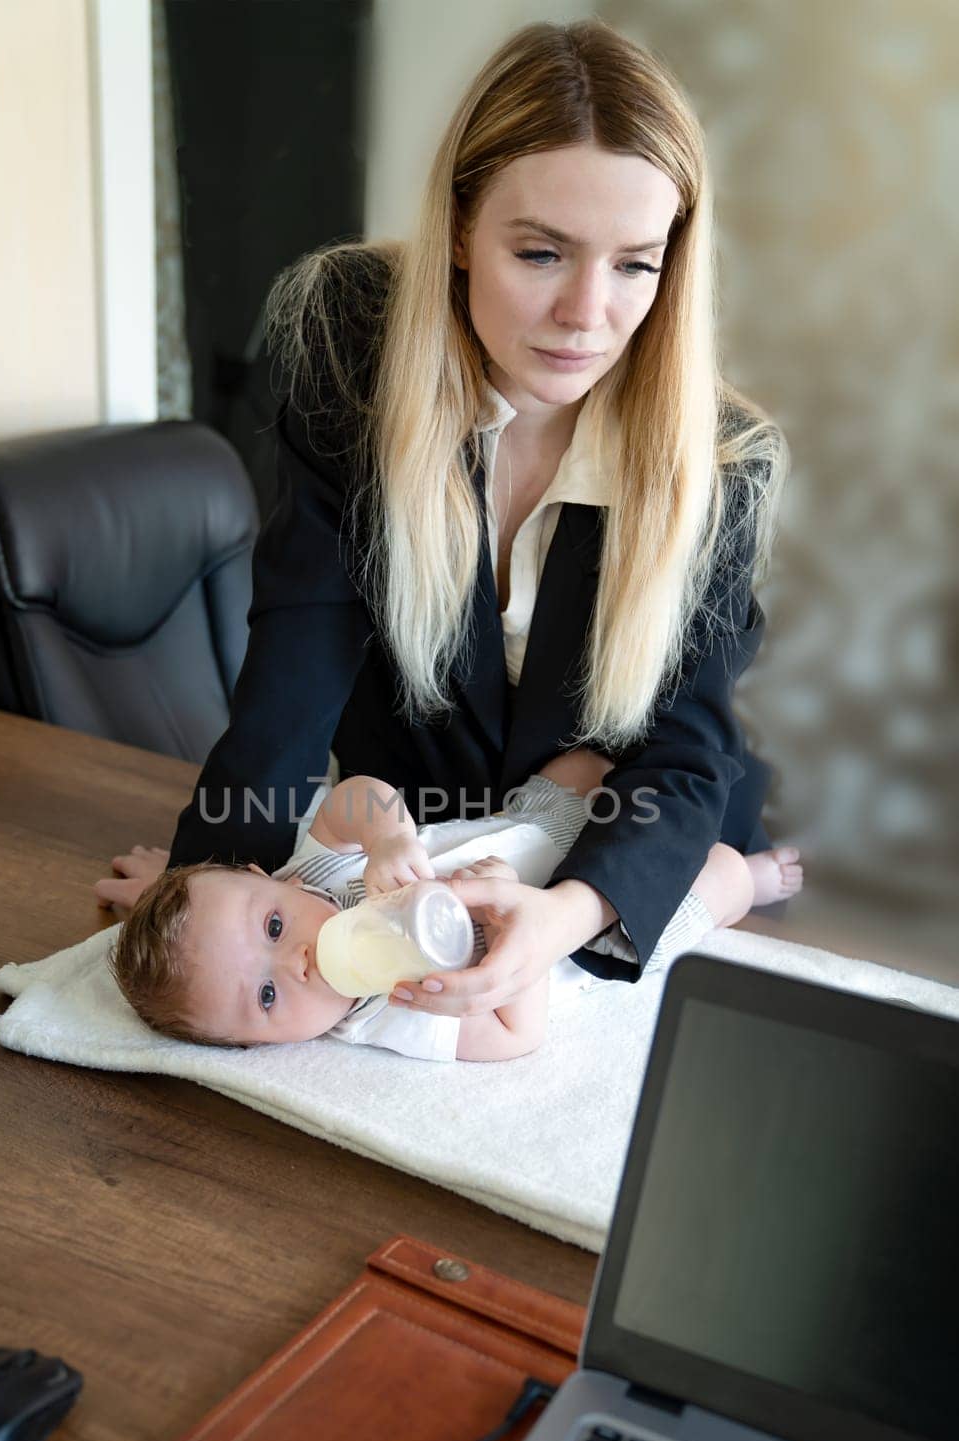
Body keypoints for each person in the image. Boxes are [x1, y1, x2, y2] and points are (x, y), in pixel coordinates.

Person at [100, 19, 796, 1032]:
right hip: (424, 849)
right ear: (461, 228)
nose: (585, 314)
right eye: (541, 252)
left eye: (634, 265)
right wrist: (216, 879)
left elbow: (683, 760)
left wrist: (565, 915)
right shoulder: (350, 349)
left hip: (633, 865)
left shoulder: (725, 462)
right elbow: (299, 652)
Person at [109, 750, 802, 1062]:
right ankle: (754, 881)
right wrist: (509, 933)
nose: (294, 960)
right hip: (585, 932)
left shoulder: (311, 873)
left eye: (271, 924)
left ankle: (647, 804)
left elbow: (357, 793)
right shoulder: (392, 1011)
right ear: (254, 1048)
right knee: (716, 873)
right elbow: (513, 1036)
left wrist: (385, 837)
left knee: (580, 766)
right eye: (263, 995)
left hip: (524, 834)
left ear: (271, 878)